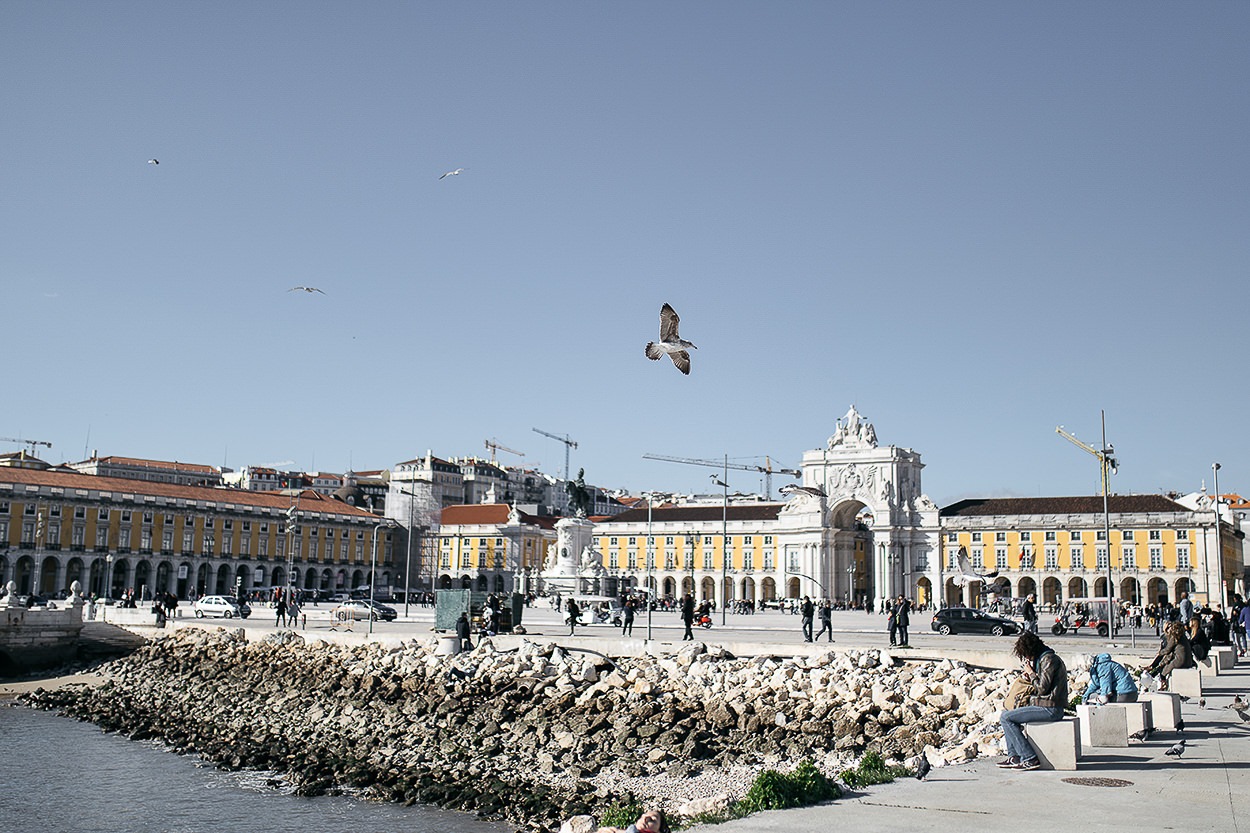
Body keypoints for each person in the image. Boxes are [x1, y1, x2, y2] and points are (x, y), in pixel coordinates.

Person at [998, 631, 1068, 771]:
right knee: (1008, 713)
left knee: (1006, 718)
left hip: (1051, 708)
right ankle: (1014, 756)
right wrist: (1031, 675)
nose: (1026, 658)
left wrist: (1031, 673)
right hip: (1046, 705)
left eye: (1025, 654)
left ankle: (1029, 758)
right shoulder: (1043, 659)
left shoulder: (1049, 660)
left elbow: (1042, 689)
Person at [1146, 621, 1194, 689]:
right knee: (1164, 667)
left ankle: (1163, 685)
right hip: (1188, 661)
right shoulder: (1183, 637)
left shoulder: (1174, 638)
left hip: (1179, 661)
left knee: (1163, 672)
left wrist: (1159, 653)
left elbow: (1167, 650)